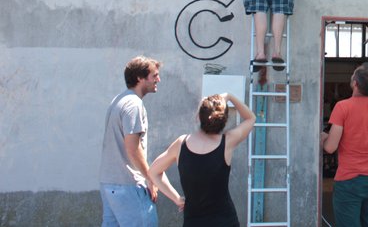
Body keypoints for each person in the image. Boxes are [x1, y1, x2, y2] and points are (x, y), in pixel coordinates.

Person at [148, 92, 256, 227]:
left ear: (198, 117)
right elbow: (251, 118)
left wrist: (177, 199)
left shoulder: (181, 144)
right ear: (224, 120)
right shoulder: (227, 142)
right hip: (225, 221)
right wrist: (230, 96)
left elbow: (153, 172)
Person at [321, 62, 368, 227]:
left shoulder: (342, 107)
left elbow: (330, 147)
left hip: (349, 180)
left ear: (355, 83)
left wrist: (323, 137)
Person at [99, 55, 162, 227]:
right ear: (140, 78)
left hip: (110, 183)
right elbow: (133, 148)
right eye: (154, 75)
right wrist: (151, 178)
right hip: (128, 185)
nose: (158, 80)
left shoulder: (119, 100)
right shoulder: (134, 105)